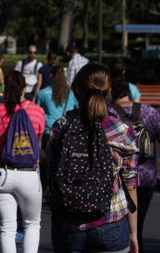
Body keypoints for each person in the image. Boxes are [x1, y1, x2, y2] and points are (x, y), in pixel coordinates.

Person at [47, 63, 138, 253]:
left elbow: (52, 171)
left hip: (68, 224)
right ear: (108, 90)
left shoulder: (61, 127)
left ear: (76, 91)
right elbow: (130, 184)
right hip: (110, 221)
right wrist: (133, 233)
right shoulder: (121, 131)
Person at [109, 68, 160, 251]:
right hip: (146, 178)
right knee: (137, 227)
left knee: (118, 226)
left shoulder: (107, 114)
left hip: (118, 179)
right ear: (129, 90)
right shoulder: (149, 112)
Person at [0, 71, 46, 253]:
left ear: (5, 88)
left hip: (3, 173)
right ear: (24, 88)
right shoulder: (37, 111)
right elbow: (39, 140)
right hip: (29, 173)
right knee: (32, 224)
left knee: (7, 227)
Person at [35, 66, 78, 147]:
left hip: (49, 131)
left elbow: (37, 114)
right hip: (68, 130)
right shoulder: (71, 94)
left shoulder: (42, 93)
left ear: (50, 75)